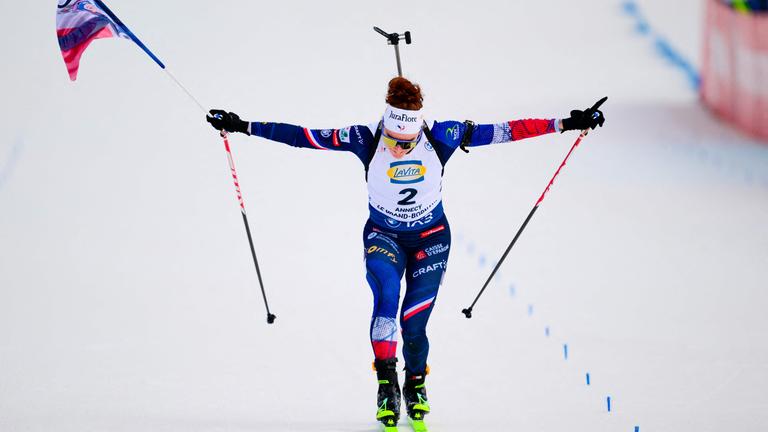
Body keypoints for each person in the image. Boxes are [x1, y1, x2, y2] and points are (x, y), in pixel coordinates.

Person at [206, 77, 605, 430]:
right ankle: (386, 384)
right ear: (385, 127)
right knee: (385, 302)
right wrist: (243, 127)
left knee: (413, 326)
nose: (399, 148)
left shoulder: (443, 136)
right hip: (384, 236)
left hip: (431, 239)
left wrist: (566, 123)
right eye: (394, 140)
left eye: (407, 142)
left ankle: (415, 385)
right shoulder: (363, 139)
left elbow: (505, 131)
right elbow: (303, 136)